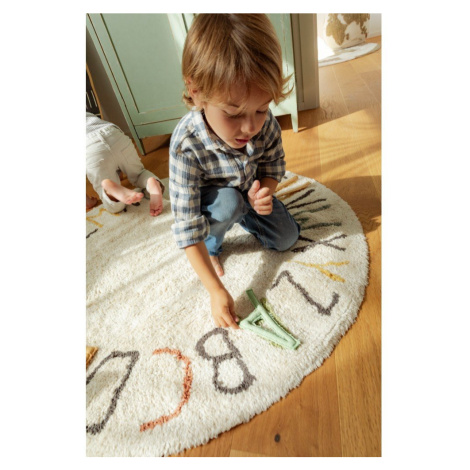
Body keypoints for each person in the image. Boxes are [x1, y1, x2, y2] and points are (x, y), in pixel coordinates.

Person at [169, 14, 300, 329]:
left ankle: (244, 211)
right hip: (214, 204)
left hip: (248, 191)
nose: (250, 126)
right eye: (233, 113)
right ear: (195, 90)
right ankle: (214, 243)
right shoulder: (186, 145)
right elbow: (186, 226)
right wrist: (215, 289)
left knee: (288, 237)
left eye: (262, 108)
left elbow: (273, 164)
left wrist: (265, 190)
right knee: (228, 202)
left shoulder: (263, 123)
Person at [86, 112, 165, 216]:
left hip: (90, 148)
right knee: (139, 174)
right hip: (113, 134)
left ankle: (110, 192)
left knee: (113, 206)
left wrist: (88, 202)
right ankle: (151, 183)